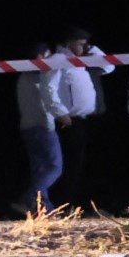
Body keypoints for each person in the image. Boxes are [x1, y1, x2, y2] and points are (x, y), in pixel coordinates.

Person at [50, 28, 114, 210]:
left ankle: (91, 205)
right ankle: (67, 205)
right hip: (72, 120)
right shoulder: (60, 60)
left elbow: (110, 66)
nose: (84, 47)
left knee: (95, 163)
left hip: (93, 119)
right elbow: (49, 88)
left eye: (87, 44)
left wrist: (93, 49)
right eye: (81, 43)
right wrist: (60, 112)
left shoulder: (88, 60)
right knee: (73, 164)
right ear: (69, 42)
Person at [13, 42, 68, 216]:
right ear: (40, 57)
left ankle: (43, 209)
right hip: (42, 126)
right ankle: (28, 198)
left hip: (27, 127)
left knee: (39, 170)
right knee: (54, 167)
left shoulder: (23, 76)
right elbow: (48, 94)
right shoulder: (40, 76)